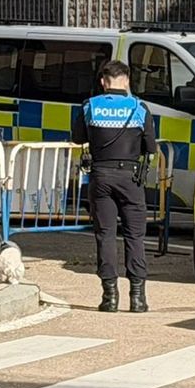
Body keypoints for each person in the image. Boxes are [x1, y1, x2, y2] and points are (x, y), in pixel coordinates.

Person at [72, 60, 157, 313]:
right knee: (135, 236)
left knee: (105, 235)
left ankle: (109, 297)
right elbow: (151, 147)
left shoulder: (90, 106)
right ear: (128, 80)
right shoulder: (139, 108)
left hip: (100, 177)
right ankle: (138, 298)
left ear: (102, 82)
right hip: (130, 178)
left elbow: (78, 138)